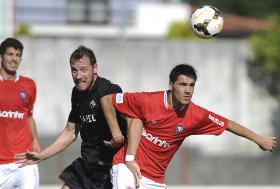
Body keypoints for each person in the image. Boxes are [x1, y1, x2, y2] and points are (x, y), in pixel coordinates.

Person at [102, 64, 277, 189]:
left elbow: (227, 124)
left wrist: (259, 139)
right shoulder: (147, 101)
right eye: (183, 85)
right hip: (126, 166)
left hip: (155, 178)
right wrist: (117, 134)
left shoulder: (196, 115)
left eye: (191, 85)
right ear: (171, 85)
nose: (188, 90)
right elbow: (107, 99)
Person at [15, 45, 127, 189]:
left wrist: (120, 138)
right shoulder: (77, 93)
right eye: (74, 70)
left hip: (110, 167)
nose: (78, 76)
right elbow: (70, 131)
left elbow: (131, 121)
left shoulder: (109, 90)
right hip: (88, 166)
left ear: (95, 68)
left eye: (83, 69)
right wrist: (42, 155)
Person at [0, 38, 41, 189]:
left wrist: (35, 140)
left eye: (18, 55)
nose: (14, 59)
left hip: (24, 161)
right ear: (1, 56)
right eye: (10, 54)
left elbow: (29, 115)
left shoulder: (29, 85)